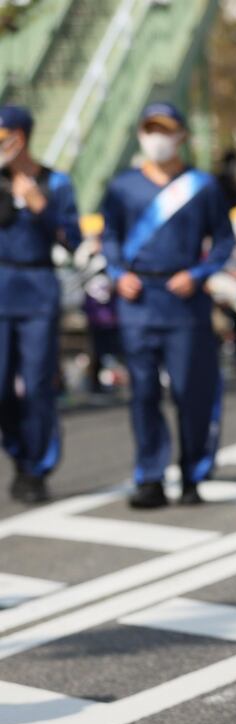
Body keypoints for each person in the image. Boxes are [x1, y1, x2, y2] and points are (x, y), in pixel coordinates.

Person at [101, 102, 235, 508]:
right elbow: (109, 237)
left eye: (165, 129)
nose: (157, 137)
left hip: (184, 303)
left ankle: (193, 475)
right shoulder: (123, 186)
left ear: (181, 136)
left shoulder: (203, 186)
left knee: (189, 392)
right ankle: (150, 477)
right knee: (142, 392)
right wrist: (115, 271)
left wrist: (196, 274)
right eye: (150, 129)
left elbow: (225, 241)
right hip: (138, 300)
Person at [0, 105, 81, 503]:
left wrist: (38, 204)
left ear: (22, 136)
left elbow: (73, 239)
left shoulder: (55, 182)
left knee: (36, 385)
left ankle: (36, 467)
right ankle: (18, 453)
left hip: (37, 288)